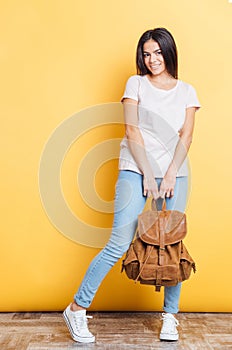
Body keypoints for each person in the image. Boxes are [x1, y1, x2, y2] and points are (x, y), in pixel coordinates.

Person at [63, 27, 201, 343]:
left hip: (174, 174)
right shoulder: (135, 83)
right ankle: (76, 308)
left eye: (157, 52)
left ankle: (170, 317)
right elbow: (132, 130)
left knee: (171, 243)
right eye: (146, 53)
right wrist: (149, 175)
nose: (152, 59)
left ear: (169, 52)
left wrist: (168, 174)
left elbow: (187, 136)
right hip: (135, 169)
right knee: (118, 243)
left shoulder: (187, 91)